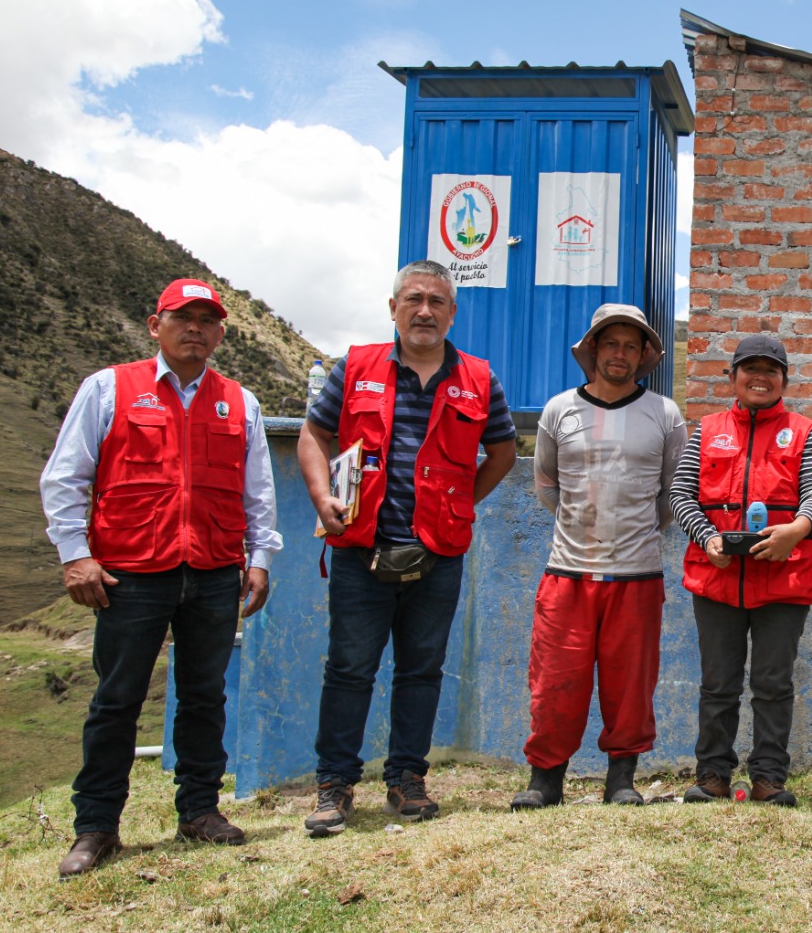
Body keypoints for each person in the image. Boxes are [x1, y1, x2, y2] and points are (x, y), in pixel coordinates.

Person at [40, 279, 281, 878]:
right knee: (116, 701)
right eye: (182, 317)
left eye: (208, 319)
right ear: (156, 325)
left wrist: (260, 559)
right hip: (130, 575)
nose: (195, 327)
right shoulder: (108, 389)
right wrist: (75, 555)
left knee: (204, 698)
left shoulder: (239, 402)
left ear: (221, 332)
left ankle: (199, 812)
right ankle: (96, 828)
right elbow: (64, 479)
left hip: (213, 571)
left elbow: (259, 492)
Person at [300, 260, 516, 836]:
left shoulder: (479, 378)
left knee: (422, 670)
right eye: (414, 299)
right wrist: (323, 498)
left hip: (437, 553)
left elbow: (501, 452)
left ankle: (407, 780)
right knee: (349, 670)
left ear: (452, 312)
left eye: (437, 302)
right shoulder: (356, 367)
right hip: (360, 548)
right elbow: (314, 435)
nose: (425, 311)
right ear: (393, 307)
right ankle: (334, 786)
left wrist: (458, 504)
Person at [510, 305, 686, 810]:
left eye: (632, 346)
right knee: (555, 680)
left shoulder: (664, 414)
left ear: (644, 355)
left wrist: (635, 531)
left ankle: (622, 779)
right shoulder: (559, 409)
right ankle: (545, 780)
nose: (621, 354)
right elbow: (547, 484)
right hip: (567, 572)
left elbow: (670, 492)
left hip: (638, 573)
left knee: (630, 681)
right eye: (611, 343)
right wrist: (581, 523)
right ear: (593, 350)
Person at [669, 335, 812, 807]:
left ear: (784, 378)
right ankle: (713, 775)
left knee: (773, 684)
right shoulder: (707, 429)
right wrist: (707, 538)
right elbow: (682, 495)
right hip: (716, 578)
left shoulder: (803, 432)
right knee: (718, 683)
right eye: (750, 368)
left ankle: (768, 779)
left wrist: (795, 532)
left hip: (783, 580)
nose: (760, 377)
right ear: (733, 376)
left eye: (771, 369)